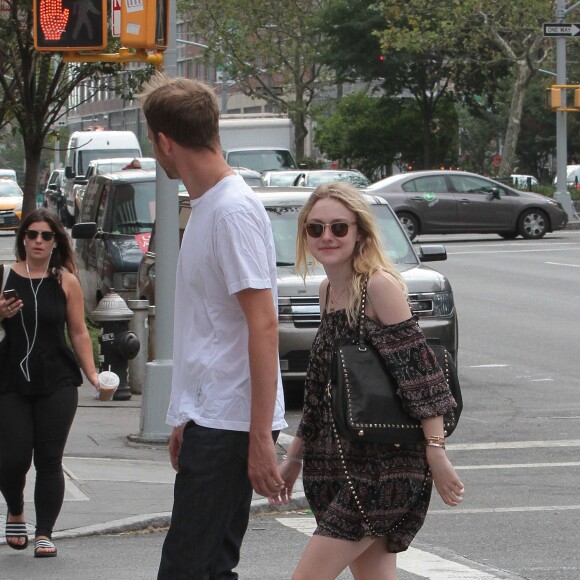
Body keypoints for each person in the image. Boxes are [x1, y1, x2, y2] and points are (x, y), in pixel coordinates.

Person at [138, 72, 287, 579]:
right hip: (212, 418)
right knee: (207, 568)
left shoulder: (231, 211)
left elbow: (263, 325)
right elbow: (210, 329)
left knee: (188, 569)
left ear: (164, 141)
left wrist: (260, 437)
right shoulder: (207, 208)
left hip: (231, 423)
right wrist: (185, 413)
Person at [275, 183, 464, 580]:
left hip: (382, 467)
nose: (327, 237)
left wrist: (436, 449)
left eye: (339, 228)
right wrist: (295, 456)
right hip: (338, 461)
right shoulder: (328, 291)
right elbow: (319, 392)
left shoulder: (378, 286)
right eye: (316, 229)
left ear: (359, 231)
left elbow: (423, 375)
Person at [0, 208, 100, 558]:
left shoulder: (65, 281)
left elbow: (78, 332)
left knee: (49, 458)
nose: (38, 241)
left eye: (46, 235)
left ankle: (44, 533)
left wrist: (92, 374)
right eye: (32, 235)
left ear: (56, 241)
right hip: (11, 378)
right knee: (11, 458)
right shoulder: (3, 276)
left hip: (56, 379)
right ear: (22, 239)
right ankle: (15, 509)